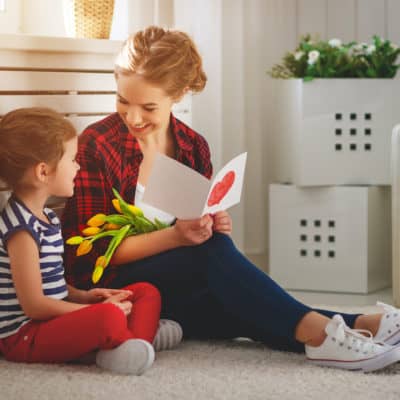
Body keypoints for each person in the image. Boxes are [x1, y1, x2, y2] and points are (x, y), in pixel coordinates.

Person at [62, 26, 400, 372]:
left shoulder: (192, 146)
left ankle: (358, 328)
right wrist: (178, 236)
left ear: (177, 95)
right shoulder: (97, 146)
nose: (133, 117)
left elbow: (196, 230)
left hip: (174, 287)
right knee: (213, 261)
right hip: (114, 289)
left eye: (148, 106)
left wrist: (213, 223)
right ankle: (327, 335)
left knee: (242, 303)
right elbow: (92, 255)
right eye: (122, 101)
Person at [0, 107, 182, 376]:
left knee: (144, 292)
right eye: (72, 160)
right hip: (27, 335)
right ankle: (131, 340)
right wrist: (91, 311)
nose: (78, 166)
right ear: (43, 172)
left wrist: (85, 297)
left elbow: (53, 285)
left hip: (51, 319)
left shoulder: (47, 217)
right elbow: (35, 305)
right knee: (108, 316)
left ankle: (130, 343)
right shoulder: (21, 230)